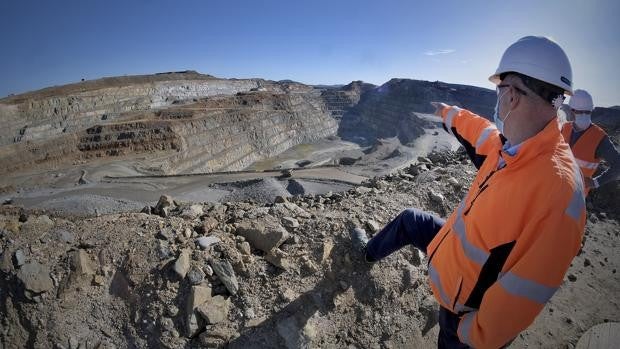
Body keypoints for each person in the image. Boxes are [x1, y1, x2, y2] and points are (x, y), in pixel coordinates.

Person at [351, 36, 586, 348]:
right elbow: (481, 133)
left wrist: (470, 334)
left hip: (463, 316)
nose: (497, 100)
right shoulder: (514, 147)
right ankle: (367, 253)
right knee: (411, 221)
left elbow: (524, 294)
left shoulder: (558, 192)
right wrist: (448, 113)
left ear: (512, 96)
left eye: (499, 90)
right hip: (452, 260)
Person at [559, 89, 620, 195]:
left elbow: (618, 165)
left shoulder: (600, 138)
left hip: (575, 197)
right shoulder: (565, 128)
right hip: (556, 187)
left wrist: (595, 182)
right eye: (579, 111)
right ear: (571, 111)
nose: (583, 115)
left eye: (587, 112)